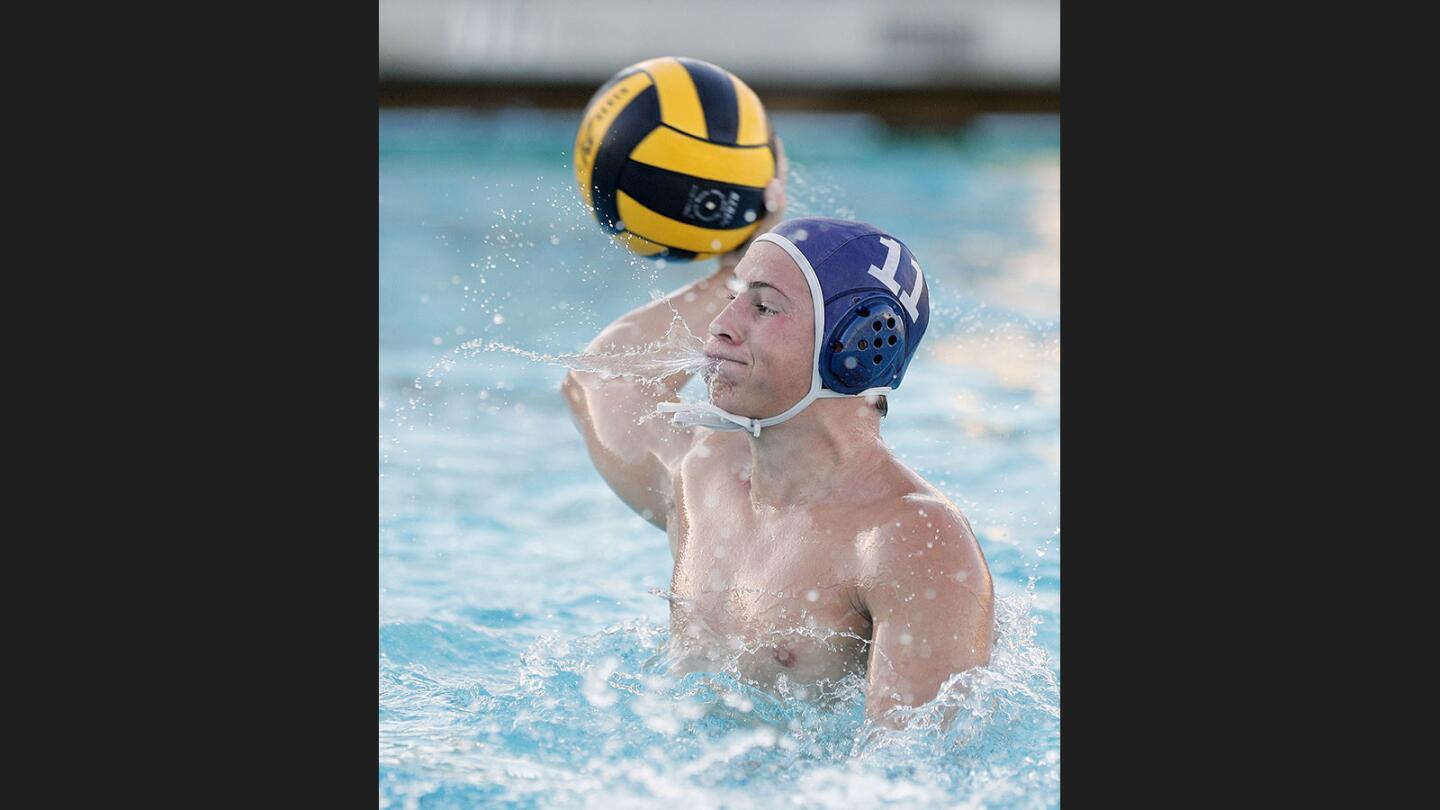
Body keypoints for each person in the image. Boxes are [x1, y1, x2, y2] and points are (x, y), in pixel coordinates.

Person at [561, 143, 993, 726]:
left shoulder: (909, 538)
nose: (719, 324)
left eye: (762, 308)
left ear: (858, 346)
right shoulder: (708, 476)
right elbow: (599, 378)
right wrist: (735, 259)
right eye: (732, 298)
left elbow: (914, 776)